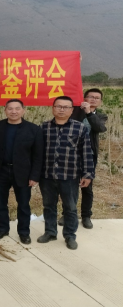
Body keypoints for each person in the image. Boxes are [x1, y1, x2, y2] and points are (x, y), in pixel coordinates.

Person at [37, 96, 94, 250]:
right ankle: (50, 232)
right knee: (48, 206)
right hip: (47, 175)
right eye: (58, 106)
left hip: (70, 176)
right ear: (53, 108)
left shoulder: (80, 128)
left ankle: (70, 235)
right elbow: (37, 152)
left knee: (70, 207)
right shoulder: (44, 127)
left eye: (66, 107)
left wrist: (88, 174)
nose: (62, 110)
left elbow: (86, 153)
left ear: (71, 110)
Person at [0, 99, 43, 245]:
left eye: (17, 108)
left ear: (23, 110)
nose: (14, 112)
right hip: (1, 171)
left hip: (23, 173)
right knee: (0, 203)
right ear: (5, 110)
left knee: (23, 204)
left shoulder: (34, 129)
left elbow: (38, 156)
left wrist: (34, 176)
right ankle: (2, 228)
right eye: (10, 108)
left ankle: (24, 232)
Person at [60, 88, 107, 229]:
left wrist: (89, 112)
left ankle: (86, 216)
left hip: (89, 156)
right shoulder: (74, 112)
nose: (93, 99)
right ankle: (67, 214)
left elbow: (99, 128)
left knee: (87, 187)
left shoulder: (101, 116)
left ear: (100, 101)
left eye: (97, 98)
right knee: (69, 186)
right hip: (71, 154)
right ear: (83, 98)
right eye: (90, 97)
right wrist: (81, 111)